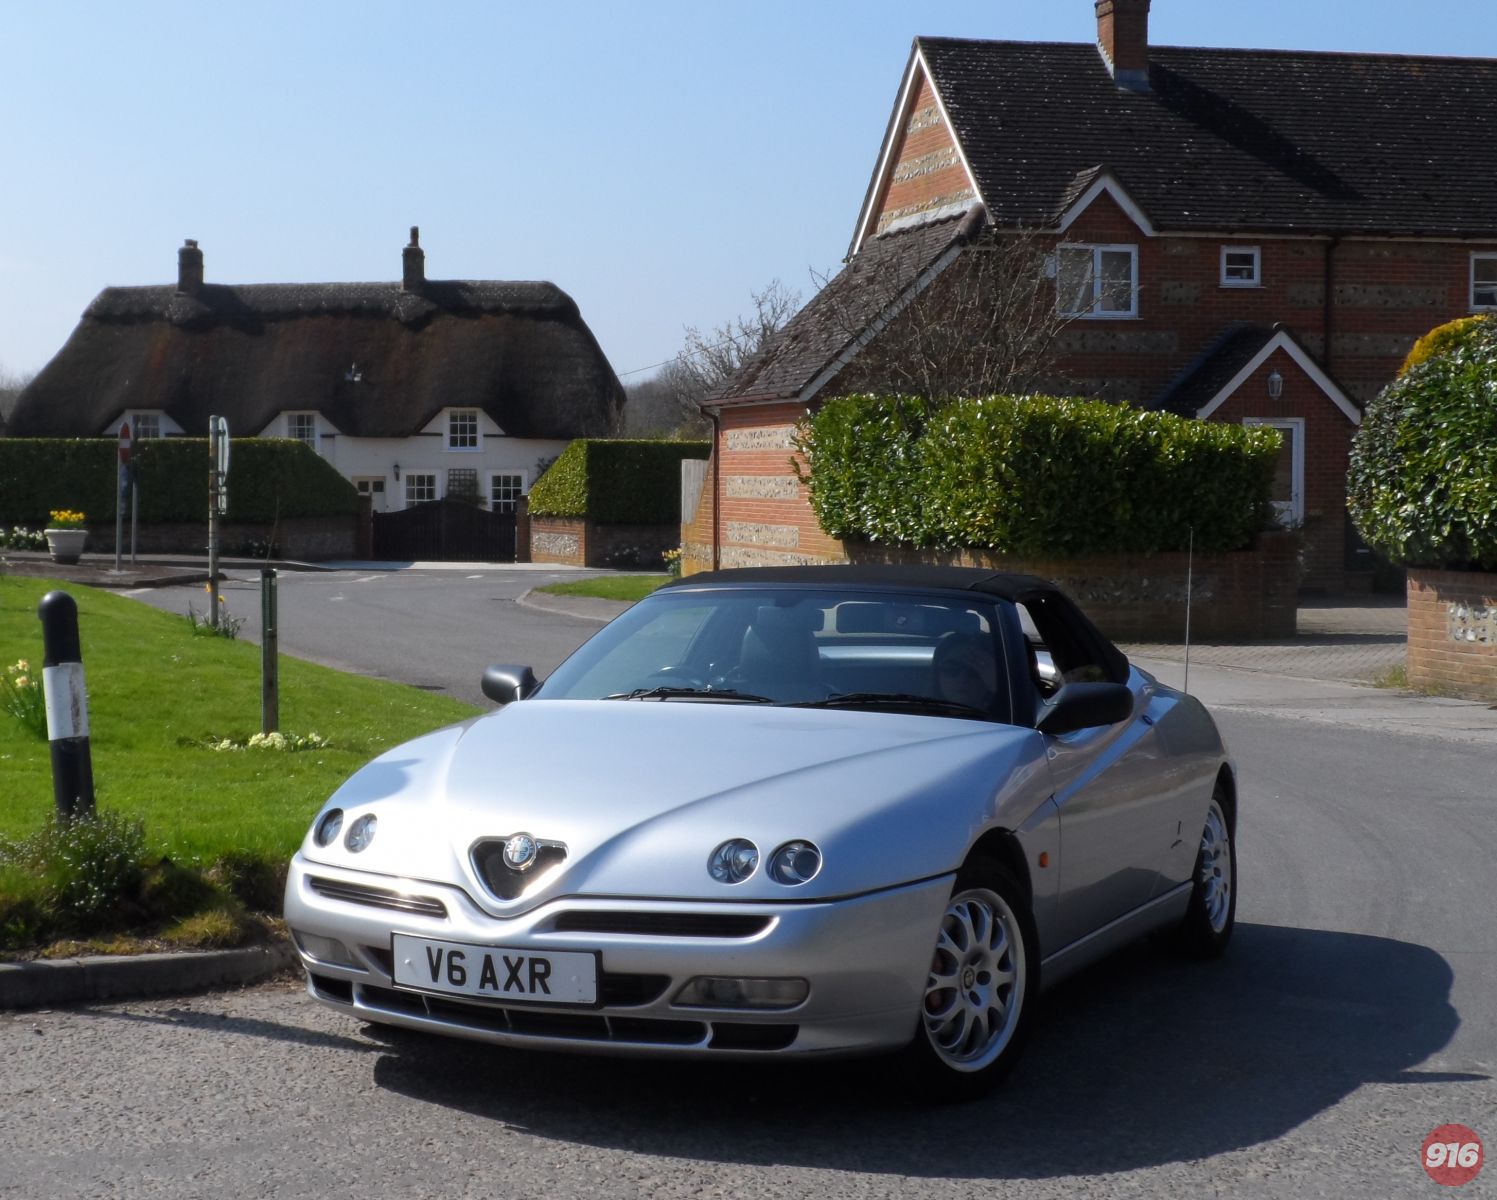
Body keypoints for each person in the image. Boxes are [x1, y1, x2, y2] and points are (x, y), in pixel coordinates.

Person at [931, 632, 999, 712]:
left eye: (974, 671)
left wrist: (999, 689)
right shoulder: (916, 715)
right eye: (952, 669)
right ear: (936, 674)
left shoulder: (1010, 717)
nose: (962, 678)